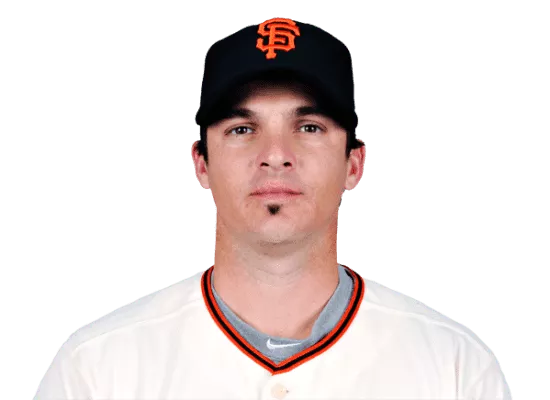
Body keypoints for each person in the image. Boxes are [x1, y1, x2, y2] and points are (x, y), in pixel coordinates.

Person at [33, 16, 513, 400]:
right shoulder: (96, 370)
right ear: (201, 164)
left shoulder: (455, 367)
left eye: (309, 127)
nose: (276, 154)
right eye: (242, 129)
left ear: (354, 164)